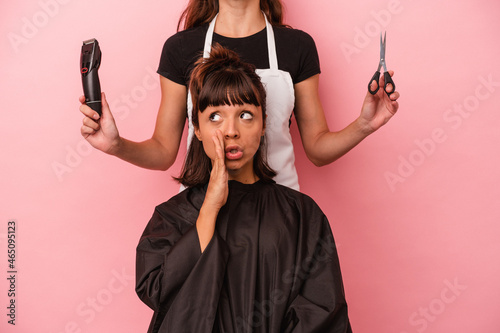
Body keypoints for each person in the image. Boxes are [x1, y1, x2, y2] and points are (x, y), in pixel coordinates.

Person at [135, 45, 351, 332]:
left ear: (263, 125)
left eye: (246, 115)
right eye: (215, 116)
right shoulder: (171, 217)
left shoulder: (302, 214)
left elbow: (323, 310)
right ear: (196, 129)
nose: (231, 130)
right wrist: (210, 206)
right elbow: (161, 293)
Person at [79, 0, 400, 191]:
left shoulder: (297, 47)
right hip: (201, 216)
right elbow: (164, 152)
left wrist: (364, 125)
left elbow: (316, 148)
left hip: (278, 215)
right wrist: (116, 146)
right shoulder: (180, 48)